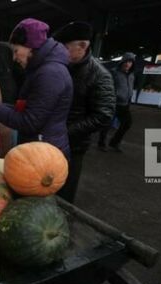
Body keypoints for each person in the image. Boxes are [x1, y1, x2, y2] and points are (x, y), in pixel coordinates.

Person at [0, 18, 73, 159]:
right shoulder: (42, 69)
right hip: (40, 146)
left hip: (45, 153)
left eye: (16, 51)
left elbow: (30, 121)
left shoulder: (49, 74)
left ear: (31, 47)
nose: (14, 58)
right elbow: (28, 108)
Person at [53, 21, 116, 202]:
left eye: (64, 47)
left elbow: (103, 115)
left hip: (73, 146)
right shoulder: (62, 66)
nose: (60, 52)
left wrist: (66, 132)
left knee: (63, 195)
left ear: (82, 45)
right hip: (48, 140)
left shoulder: (99, 75)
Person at [98, 52, 136, 152]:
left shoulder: (131, 75)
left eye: (130, 62)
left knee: (127, 124)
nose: (128, 64)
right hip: (113, 103)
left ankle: (114, 143)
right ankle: (101, 143)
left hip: (125, 104)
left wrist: (129, 100)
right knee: (107, 124)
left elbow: (130, 88)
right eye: (126, 61)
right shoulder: (114, 72)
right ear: (122, 61)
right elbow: (107, 87)